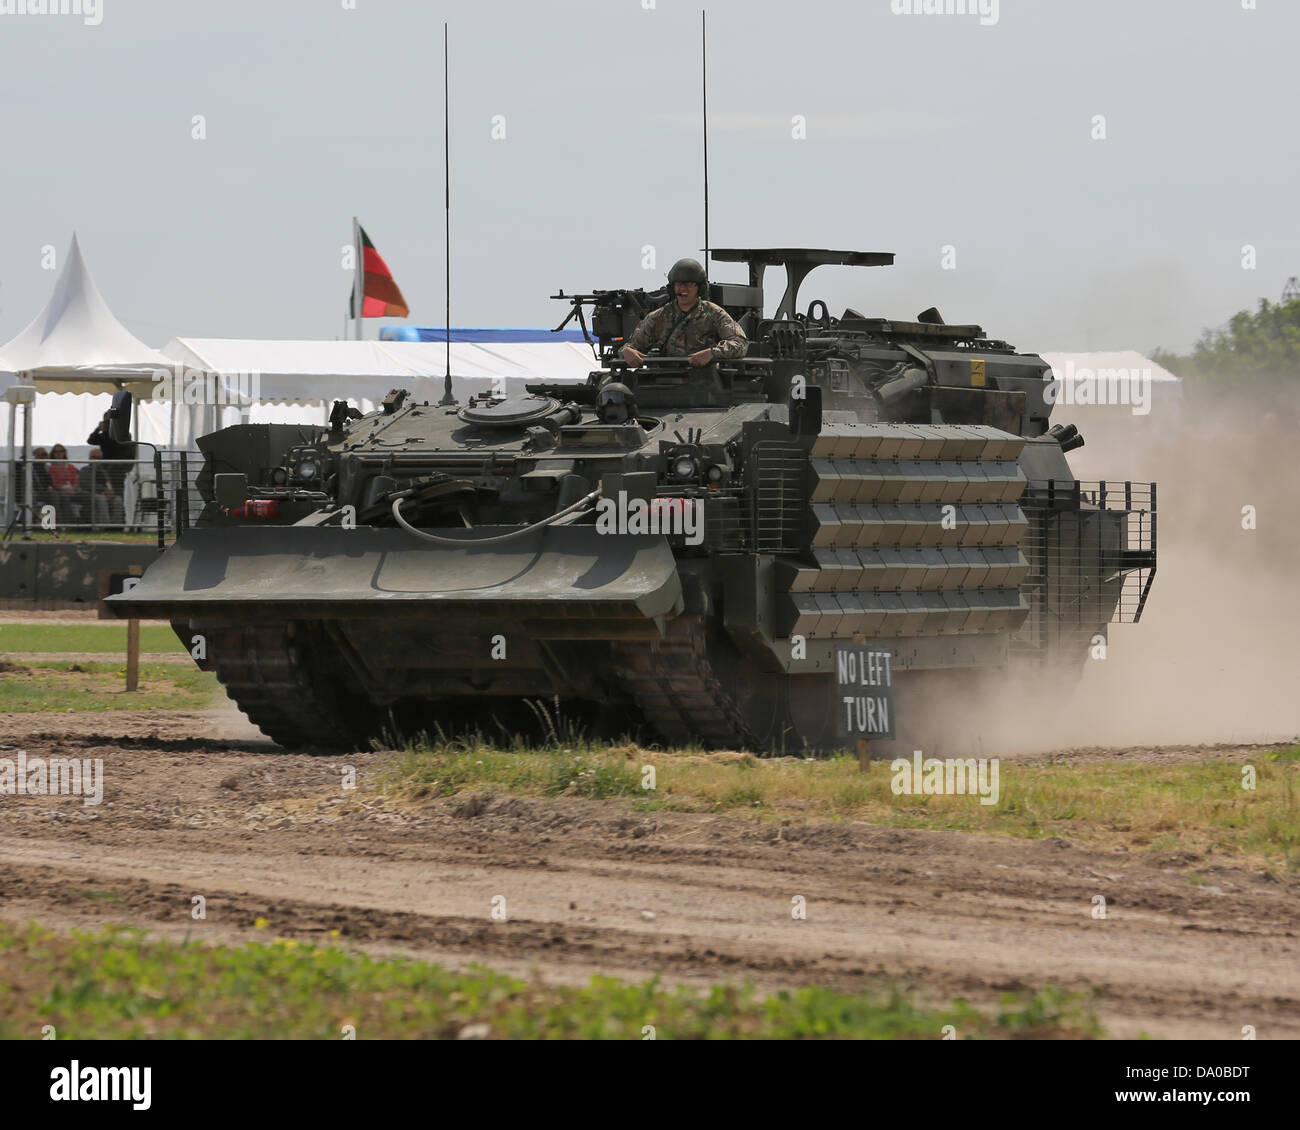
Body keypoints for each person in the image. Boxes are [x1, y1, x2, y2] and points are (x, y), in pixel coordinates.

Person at [620, 258, 748, 368]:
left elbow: (740, 343)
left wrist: (712, 353)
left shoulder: (714, 314)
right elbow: (631, 346)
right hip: (662, 381)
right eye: (678, 284)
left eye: (689, 284)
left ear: (700, 287)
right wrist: (627, 351)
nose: (682, 289)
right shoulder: (658, 317)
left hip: (705, 383)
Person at [81, 448, 124, 527]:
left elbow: (109, 485)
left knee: (118, 499)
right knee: (101, 499)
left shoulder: (104, 472)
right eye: (94, 457)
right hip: (91, 494)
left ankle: (116, 526)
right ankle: (105, 526)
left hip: (105, 494)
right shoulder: (85, 470)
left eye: (98, 458)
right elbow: (87, 484)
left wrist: (111, 492)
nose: (96, 459)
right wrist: (103, 490)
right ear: (90, 458)